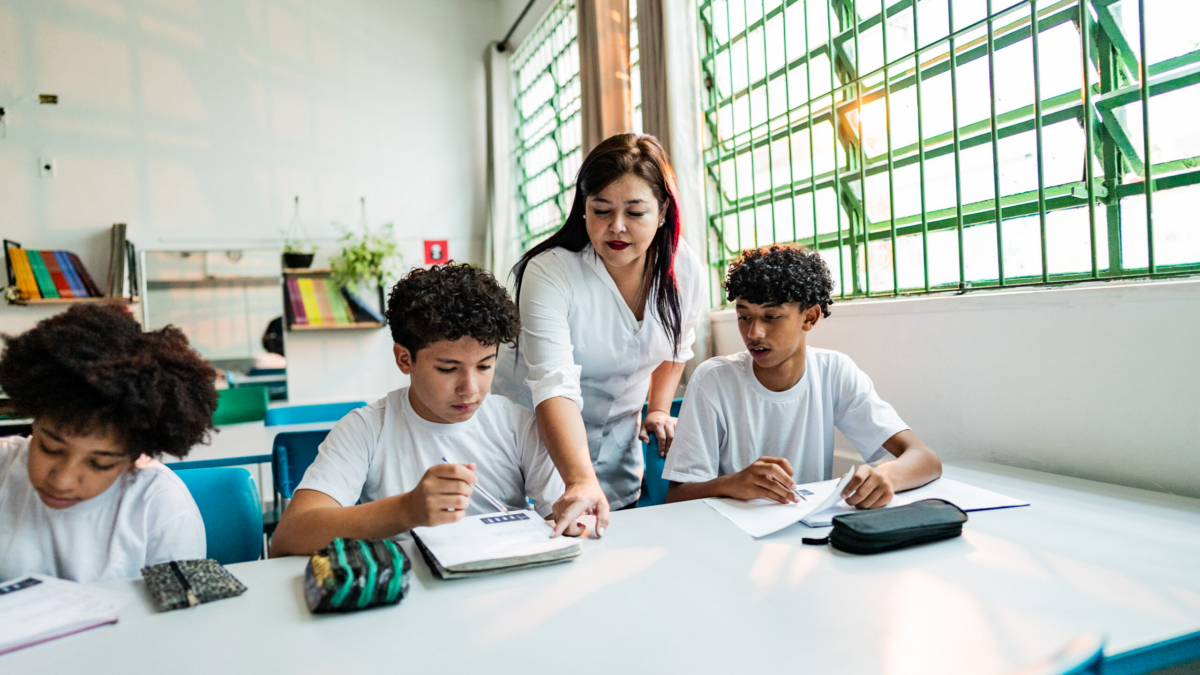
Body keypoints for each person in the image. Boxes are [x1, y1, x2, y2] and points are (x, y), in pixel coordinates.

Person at [270, 263, 567, 557]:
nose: (471, 388)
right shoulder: (367, 429)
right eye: (448, 369)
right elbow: (290, 536)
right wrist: (406, 510)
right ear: (404, 359)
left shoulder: (518, 425)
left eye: (485, 365)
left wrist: (573, 519)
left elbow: (562, 515)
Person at [492, 133, 706, 537]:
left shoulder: (685, 269)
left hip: (617, 446)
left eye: (635, 212)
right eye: (601, 210)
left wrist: (658, 408)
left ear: (662, 211)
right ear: (583, 209)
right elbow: (554, 384)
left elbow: (678, 345)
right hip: (536, 442)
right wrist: (577, 478)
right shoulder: (550, 272)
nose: (616, 227)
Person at [663, 244, 942, 507]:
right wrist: (732, 484)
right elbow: (676, 497)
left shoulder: (833, 372)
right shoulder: (713, 380)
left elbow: (925, 458)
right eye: (744, 316)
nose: (753, 333)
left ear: (809, 317)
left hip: (806, 534)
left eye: (771, 317)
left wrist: (887, 476)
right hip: (731, 535)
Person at [0, 304, 215, 582]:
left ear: (132, 459)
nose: (63, 480)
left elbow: (185, 614)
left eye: (100, 464)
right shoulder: (5, 467)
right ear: (34, 424)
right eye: (50, 449)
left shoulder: (161, 505)